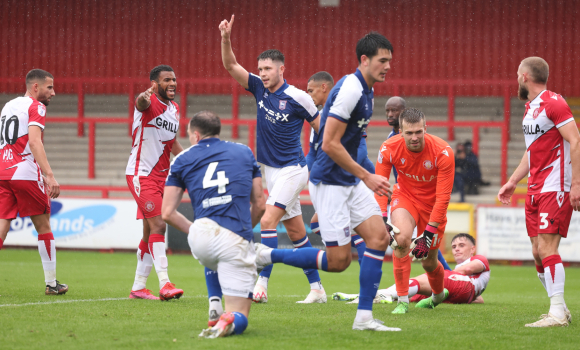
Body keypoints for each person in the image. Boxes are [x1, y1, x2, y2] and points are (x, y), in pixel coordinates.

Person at [253, 32, 401, 332]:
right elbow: (330, 143)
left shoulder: (367, 91)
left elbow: (352, 144)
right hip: (331, 181)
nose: (387, 66)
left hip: (348, 179)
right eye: (382, 61)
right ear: (364, 60)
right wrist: (367, 176)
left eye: (389, 61)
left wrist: (369, 175)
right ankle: (268, 255)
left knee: (379, 239)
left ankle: (364, 318)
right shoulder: (350, 90)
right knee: (339, 261)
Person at [219, 15, 325, 304]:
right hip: (271, 172)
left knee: (266, 220)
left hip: (293, 170)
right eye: (260, 69)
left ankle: (261, 284)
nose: (263, 73)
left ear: (282, 69)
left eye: (268, 69)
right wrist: (226, 38)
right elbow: (230, 65)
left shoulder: (298, 97)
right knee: (296, 233)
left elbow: (323, 130)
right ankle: (317, 289)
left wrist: (316, 164)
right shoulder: (258, 88)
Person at [162, 111, 265, 338]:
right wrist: (244, 230)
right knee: (241, 315)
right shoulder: (243, 152)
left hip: (201, 238)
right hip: (235, 238)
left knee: (214, 257)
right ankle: (229, 316)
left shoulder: (181, 159)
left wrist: (198, 230)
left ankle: (215, 304)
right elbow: (259, 204)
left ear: (195, 136)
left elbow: (167, 213)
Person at [498, 56, 579, 327]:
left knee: (547, 246)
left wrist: (576, 184)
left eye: (516, 75)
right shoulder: (530, 108)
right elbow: (532, 151)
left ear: (524, 77)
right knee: (536, 250)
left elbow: (576, 140)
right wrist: (513, 181)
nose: (516, 80)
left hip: (555, 185)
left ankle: (556, 312)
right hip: (535, 185)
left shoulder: (554, 103)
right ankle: (561, 309)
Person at [375, 108, 455, 314]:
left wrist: (428, 233)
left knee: (429, 263)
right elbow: (380, 187)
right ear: (400, 131)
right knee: (401, 241)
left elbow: (443, 197)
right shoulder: (388, 148)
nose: (414, 138)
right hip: (405, 197)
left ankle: (438, 295)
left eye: (418, 132)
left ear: (426, 129)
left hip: (433, 205)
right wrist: (382, 218)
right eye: (409, 133)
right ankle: (402, 300)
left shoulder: (443, 152)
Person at [0, 69, 68, 295]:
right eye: (50, 87)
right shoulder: (35, 106)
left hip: (3, 172)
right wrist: (49, 175)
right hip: (24, 172)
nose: (54, 92)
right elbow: (35, 142)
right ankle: (51, 284)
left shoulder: (8, 105)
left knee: (2, 226)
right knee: (44, 226)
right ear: (35, 87)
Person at [125, 65, 184, 301]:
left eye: (174, 79)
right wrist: (142, 97)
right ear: (154, 84)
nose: (172, 83)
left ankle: (138, 287)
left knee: (150, 232)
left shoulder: (175, 109)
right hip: (142, 174)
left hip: (162, 177)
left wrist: (191, 160)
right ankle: (165, 283)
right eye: (166, 80)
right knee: (160, 225)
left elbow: (172, 144)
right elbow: (140, 103)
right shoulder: (147, 104)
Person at [306, 71, 372, 266]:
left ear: (324, 88)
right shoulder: (318, 119)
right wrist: (305, 174)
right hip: (326, 181)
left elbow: (360, 153)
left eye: (311, 91)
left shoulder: (347, 111)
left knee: (372, 239)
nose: (308, 96)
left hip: (345, 181)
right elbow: (312, 153)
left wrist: (368, 176)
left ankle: (368, 287)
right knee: (336, 249)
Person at [333, 233, 490, 304]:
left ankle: (367, 297)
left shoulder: (479, 259)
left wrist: (442, 274)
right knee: (414, 294)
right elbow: (479, 299)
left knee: (418, 281)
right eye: (454, 246)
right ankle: (372, 296)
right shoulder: (464, 275)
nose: (456, 249)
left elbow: (465, 271)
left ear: (473, 249)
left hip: (462, 286)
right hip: (458, 293)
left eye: (461, 245)